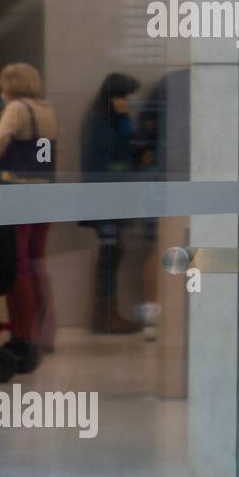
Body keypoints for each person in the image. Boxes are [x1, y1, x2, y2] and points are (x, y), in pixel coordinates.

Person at [0, 63, 59, 360]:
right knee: (37, 262)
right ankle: (46, 333)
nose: (1, 93)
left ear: (10, 86)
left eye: (2, 87)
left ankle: (24, 336)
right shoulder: (48, 110)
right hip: (44, 194)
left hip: (17, 194)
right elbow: (44, 152)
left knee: (16, 264)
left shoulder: (17, 109)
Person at [79, 72, 143, 334]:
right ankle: (105, 314)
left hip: (115, 200)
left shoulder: (117, 121)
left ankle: (108, 311)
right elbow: (105, 163)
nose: (128, 102)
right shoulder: (99, 123)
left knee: (113, 252)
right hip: (104, 201)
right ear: (112, 97)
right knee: (109, 253)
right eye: (124, 97)